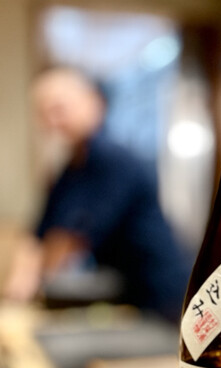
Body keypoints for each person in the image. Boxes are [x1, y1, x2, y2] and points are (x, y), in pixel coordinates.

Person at [4, 67, 191, 323]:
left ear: (93, 103)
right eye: (43, 112)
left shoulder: (112, 159)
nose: (51, 120)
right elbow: (42, 231)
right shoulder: (72, 169)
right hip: (127, 293)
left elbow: (72, 237)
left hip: (160, 298)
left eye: (58, 109)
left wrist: (27, 282)